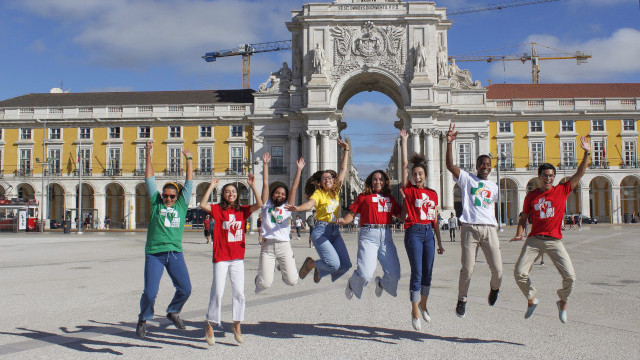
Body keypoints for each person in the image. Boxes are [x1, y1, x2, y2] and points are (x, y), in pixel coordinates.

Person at [510, 136, 591, 324]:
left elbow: (579, 173)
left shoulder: (562, 190)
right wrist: (519, 234)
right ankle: (531, 299)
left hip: (554, 240)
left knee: (570, 277)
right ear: (539, 177)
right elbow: (523, 217)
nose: (548, 178)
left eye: (551, 176)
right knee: (519, 273)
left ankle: (562, 301)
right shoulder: (531, 196)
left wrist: (587, 152)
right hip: (534, 240)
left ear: (554, 177)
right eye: (545, 175)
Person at [136, 140, 193, 339]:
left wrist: (189, 160)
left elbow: (189, 183)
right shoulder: (155, 204)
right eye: (166, 195)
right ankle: (143, 318)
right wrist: (148, 153)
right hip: (154, 253)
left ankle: (173, 311)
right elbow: (149, 178)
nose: (168, 198)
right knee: (150, 293)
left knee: (185, 289)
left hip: (174, 253)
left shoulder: (181, 206)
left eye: (172, 196)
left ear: (177, 197)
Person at [446, 123, 503, 318]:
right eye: (482, 164)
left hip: (489, 229)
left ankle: (494, 289)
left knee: (498, 270)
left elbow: (491, 207)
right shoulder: (467, 179)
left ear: (490, 167)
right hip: (470, 228)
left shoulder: (494, 187)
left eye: (488, 165)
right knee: (467, 269)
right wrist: (449, 143)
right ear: (477, 165)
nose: (485, 167)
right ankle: (462, 299)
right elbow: (450, 166)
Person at [200, 174, 262, 345]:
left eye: (233, 191)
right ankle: (210, 323)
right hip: (221, 257)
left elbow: (260, 204)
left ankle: (237, 324)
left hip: (237, 258)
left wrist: (253, 186)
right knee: (218, 291)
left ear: (237, 194)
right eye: (227, 191)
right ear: (223, 195)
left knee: (239, 293)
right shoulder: (218, 210)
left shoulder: (242, 211)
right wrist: (212, 186)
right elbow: (202, 204)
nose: (230, 194)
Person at [287, 138, 352, 284]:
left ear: (333, 180)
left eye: (329, 177)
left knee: (346, 265)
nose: (327, 179)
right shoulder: (318, 193)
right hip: (321, 231)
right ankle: (312, 264)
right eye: (324, 178)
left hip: (335, 231)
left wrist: (345, 150)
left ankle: (320, 269)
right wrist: (297, 208)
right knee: (334, 264)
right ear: (320, 182)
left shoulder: (336, 191)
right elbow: (310, 205)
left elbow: (343, 170)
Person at [399, 129, 444, 331]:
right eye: (415, 174)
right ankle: (415, 310)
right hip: (414, 232)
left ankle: (424, 303)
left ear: (425, 175)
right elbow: (404, 166)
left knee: (428, 273)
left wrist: (440, 241)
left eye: (420, 174)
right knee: (417, 273)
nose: (417, 176)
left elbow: (434, 219)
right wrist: (404, 142)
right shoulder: (409, 191)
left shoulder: (433, 194)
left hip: (429, 234)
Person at [339, 170, 402, 301]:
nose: (378, 181)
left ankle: (381, 283)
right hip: (368, 236)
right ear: (370, 182)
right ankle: (352, 283)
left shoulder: (390, 199)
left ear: (385, 182)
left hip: (386, 236)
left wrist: (408, 202)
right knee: (366, 275)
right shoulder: (363, 197)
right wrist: (344, 221)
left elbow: (401, 216)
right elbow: (352, 214)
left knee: (395, 274)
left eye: (381, 179)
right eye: (375, 179)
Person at [255, 153, 305, 293]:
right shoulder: (266, 204)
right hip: (268, 246)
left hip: (284, 245)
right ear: (272, 194)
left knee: (292, 281)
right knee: (264, 284)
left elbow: (294, 187)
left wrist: (299, 169)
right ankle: (259, 277)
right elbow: (265, 182)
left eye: (283, 194)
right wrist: (265, 165)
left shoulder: (288, 206)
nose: (280, 195)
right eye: (277, 193)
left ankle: (283, 271)